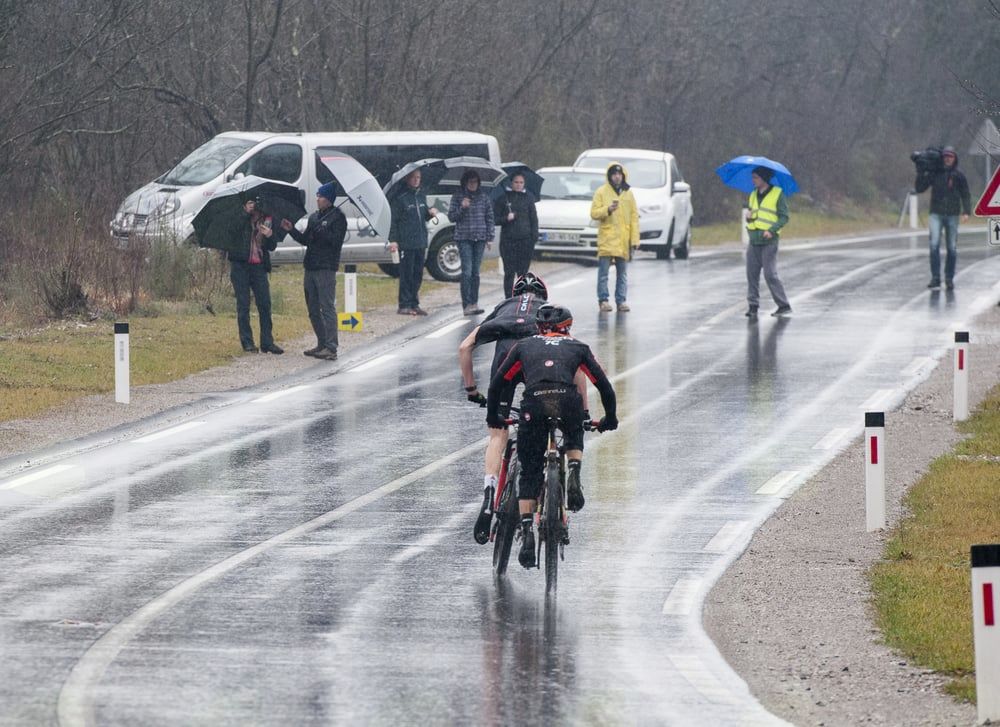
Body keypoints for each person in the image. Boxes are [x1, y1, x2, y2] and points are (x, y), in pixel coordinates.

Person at [486, 303, 617, 569]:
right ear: (568, 327)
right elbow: (604, 386)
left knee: (530, 471)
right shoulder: (578, 347)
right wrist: (610, 419)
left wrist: (493, 416)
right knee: (574, 429)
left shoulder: (524, 346)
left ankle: (527, 532)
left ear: (538, 327)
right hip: (567, 402)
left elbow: (498, 383)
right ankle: (574, 469)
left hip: (534, 404)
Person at [458, 272, 559, 544]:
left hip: (505, 360)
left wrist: (471, 390)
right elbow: (569, 352)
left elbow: (465, 347)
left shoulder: (502, 309)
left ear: (513, 295)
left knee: (498, 434)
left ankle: (489, 495)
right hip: (536, 359)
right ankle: (542, 497)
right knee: (545, 422)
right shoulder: (548, 312)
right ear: (544, 296)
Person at [280, 181, 345, 361]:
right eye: (317, 195)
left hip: (326, 267)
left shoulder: (338, 218)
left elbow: (335, 242)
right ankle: (322, 342)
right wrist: (291, 230)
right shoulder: (314, 217)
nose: (317, 199)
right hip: (310, 266)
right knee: (313, 309)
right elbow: (306, 240)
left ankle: (331, 347)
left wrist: (322, 231)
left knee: (327, 307)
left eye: (321, 196)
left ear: (328, 199)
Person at [226, 194, 283, 354]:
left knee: (265, 304)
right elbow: (231, 232)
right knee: (243, 304)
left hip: (259, 266)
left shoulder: (267, 219)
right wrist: (245, 213)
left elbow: (272, 246)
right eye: (251, 203)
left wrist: (269, 235)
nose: (255, 207)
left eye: (257, 203)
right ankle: (247, 342)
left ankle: (267, 341)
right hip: (240, 265)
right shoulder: (238, 215)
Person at [914, 146, 971, 291]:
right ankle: (935, 278)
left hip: (952, 215)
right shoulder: (935, 173)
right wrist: (920, 171)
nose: (948, 159)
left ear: (955, 158)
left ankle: (949, 279)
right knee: (934, 245)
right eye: (945, 156)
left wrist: (966, 212)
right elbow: (920, 188)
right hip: (936, 214)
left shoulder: (959, 175)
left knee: (952, 248)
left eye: (950, 156)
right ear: (942, 158)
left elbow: (965, 194)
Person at [590, 162, 639, 312]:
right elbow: (594, 213)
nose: (617, 177)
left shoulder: (628, 193)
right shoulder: (601, 192)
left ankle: (621, 301)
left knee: (622, 274)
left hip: (623, 240)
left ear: (623, 176)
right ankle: (603, 300)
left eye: (619, 174)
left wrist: (635, 239)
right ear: (609, 176)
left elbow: (634, 217)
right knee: (603, 273)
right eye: (614, 174)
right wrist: (608, 209)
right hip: (607, 238)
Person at [388, 169, 438, 316]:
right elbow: (393, 221)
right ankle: (404, 304)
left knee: (418, 274)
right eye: (413, 177)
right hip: (406, 242)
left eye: (418, 177)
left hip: (420, 241)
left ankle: (414, 303)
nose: (416, 180)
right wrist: (393, 240)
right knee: (407, 274)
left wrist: (430, 213)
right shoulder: (400, 198)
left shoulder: (421, 196)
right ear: (407, 179)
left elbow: (423, 216)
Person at [744, 166, 791, 319]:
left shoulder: (777, 194)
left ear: (764, 178)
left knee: (770, 274)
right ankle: (753, 306)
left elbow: (784, 217)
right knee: (751, 275)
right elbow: (754, 216)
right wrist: (748, 217)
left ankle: (783, 305)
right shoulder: (753, 194)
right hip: (754, 240)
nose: (753, 180)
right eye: (752, 177)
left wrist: (772, 230)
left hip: (769, 241)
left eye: (756, 177)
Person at [448, 170, 495, 316]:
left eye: (475, 182)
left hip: (480, 238)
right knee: (466, 272)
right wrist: (462, 207)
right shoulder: (458, 196)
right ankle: (466, 304)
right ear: (465, 182)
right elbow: (451, 217)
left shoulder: (484, 197)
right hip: (464, 237)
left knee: (476, 272)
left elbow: (489, 217)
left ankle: (474, 302)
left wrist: (490, 237)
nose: (473, 184)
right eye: (470, 182)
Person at [494, 173, 539, 297]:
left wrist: (534, 237)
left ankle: (521, 297)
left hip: (525, 240)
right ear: (511, 183)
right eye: (516, 182)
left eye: (521, 182)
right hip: (508, 241)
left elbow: (534, 219)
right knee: (509, 272)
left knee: (523, 272)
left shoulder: (529, 198)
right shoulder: (504, 198)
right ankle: (508, 298)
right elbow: (495, 219)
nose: (518, 185)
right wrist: (506, 218)